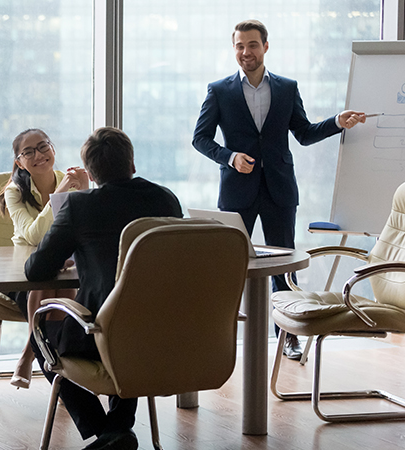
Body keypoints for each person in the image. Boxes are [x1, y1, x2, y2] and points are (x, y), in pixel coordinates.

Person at [192, 19, 367, 359]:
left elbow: (302, 132)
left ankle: (287, 337)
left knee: (284, 268)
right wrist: (229, 157)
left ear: (266, 47)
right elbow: (200, 138)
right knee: (227, 266)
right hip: (236, 191)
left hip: (279, 190)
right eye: (240, 46)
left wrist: (336, 122)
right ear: (234, 49)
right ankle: (216, 339)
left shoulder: (287, 88)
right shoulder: (220, 90)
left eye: (252, 45)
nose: (246, 52)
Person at [25, 127, 183, 450]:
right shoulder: (166, 199)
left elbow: (35, 270)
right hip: (161, 333)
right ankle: (119, 426)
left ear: (92, 174)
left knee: (39, 338)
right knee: (132, 321)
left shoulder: (79, 207)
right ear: (132, 164)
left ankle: (107, 431)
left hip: (100, 334)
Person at [0, 128, 86, 389]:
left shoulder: (72, 180)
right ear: (19, 162)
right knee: (50, 288)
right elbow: (34, 236)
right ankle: (62, 377)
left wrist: (83, 189)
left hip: (64, 267)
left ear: (53, 149)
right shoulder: (14, 191)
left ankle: (32, 354)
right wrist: (61, 194)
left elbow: (82, 229)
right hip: (22, 272)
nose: (39, 155)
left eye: (43, 146)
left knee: (59, 288)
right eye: (28, 152)